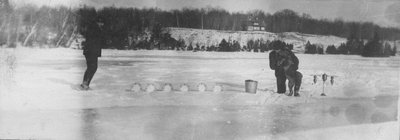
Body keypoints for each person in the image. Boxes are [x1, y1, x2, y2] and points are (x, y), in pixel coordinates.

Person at [80, 16, 105, 90]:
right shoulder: (95, 28)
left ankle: (85, 84)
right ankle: (85, 84)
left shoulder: (94, 28)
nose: (102, 25)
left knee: (91, 67)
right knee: (93, 67)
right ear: (98, 22)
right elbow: (93, 40)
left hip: (90, 51)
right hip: (91, 51)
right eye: (101, 23)